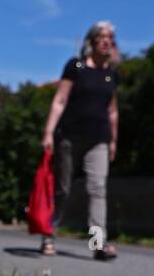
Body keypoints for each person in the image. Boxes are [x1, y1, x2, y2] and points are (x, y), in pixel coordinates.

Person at [40, 20, 120, 259]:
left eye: (110, 38)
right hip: (69, 137)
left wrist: (113, 140)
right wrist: (48, 132)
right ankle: (49, 235)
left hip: (99, 140)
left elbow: (113, 111)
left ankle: (98, 244)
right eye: (102, 36)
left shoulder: (111, 76)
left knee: (98, 189)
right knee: (62, 189)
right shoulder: (75, 67)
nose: (106, 41)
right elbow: (60, 100)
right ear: (92, 41)